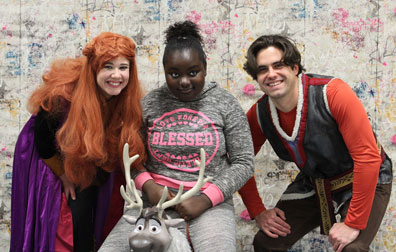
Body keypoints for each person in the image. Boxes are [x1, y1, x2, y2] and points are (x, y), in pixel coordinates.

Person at [99, 21, 254, 252]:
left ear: (205, 67)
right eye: (174, 74)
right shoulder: (148, 104)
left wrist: (206, 199)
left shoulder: (225, 103)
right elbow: (129, 157)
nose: (184, 81)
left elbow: (244, 162)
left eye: (193, 72)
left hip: (208, 204)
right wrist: (147, 184)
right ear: (164, 71)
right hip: (151, 204)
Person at [238, 34, 393, 252]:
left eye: (278, 65)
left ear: (294, 67)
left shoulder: (333, 93)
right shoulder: (260, 115)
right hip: (317, 182)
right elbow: (239, 161)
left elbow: (367, 158)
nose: (271, 74)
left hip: (367, 175)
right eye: (263, 69)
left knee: (352, 248)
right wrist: (258, 211)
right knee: (267, 242)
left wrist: (353, 223)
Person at [10, 32, 146, 252]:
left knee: (94, 207)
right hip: (49, 154)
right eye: (108, 67)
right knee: (66, 215)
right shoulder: (63, 95)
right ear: (93, 69)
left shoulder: (123, 96)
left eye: (123, 67)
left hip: (84, 154)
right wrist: (63, 175)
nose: (117, 75)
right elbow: (43, 140)